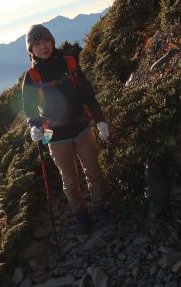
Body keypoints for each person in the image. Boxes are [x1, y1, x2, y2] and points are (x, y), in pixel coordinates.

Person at [21, 24, 116, 234]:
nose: (43, 47)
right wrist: (34, 127)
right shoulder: (33, 75)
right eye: (36, 44)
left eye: (45, 41)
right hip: (53, 134)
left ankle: (100, 208)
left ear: (52, 41)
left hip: (82, 125)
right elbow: (29, 109)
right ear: (31, 50)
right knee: (70, 180)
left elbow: (87, 93)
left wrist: (100, 120)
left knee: (93, 171)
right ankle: (81, 215)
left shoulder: (70, 62)